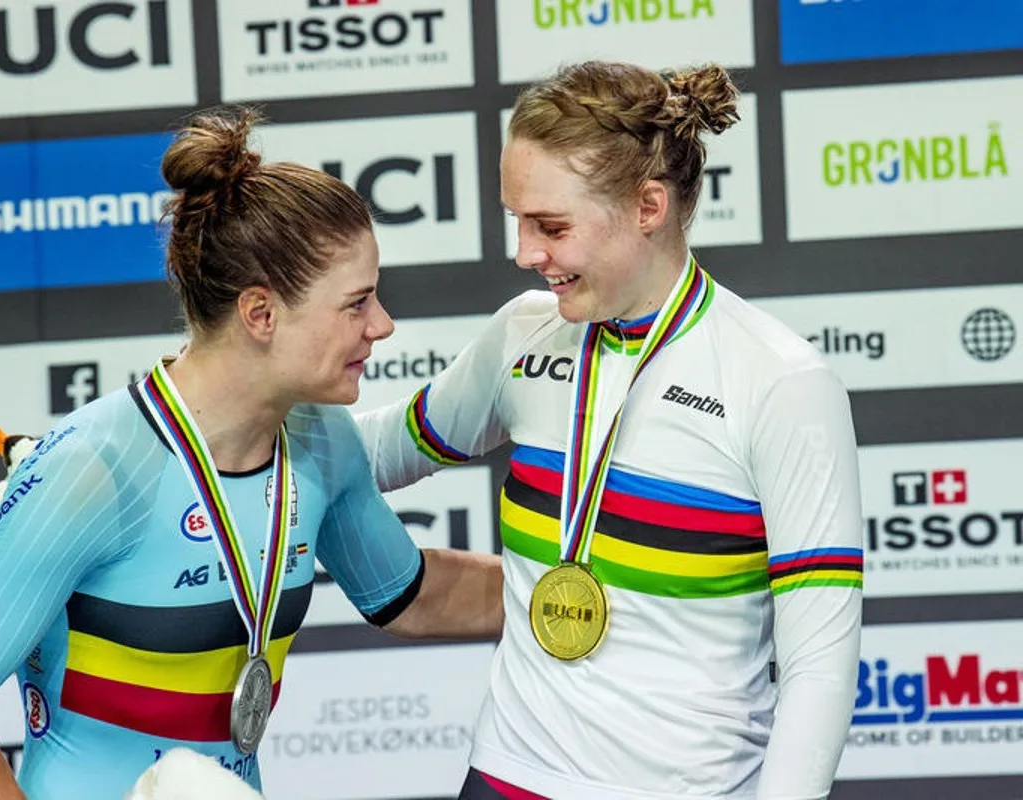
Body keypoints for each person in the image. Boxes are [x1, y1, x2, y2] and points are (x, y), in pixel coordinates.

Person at [0, 108, 503, 800]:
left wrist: (597, 593)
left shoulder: (319, 438)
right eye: (356, 304)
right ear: (261, 314)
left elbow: (414, 596)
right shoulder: (94, 469)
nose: (382, 325)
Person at [354, 61, 863, 799]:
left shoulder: (782, 382)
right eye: (517, 219)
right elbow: (371, 454)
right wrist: (226, 407)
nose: (524, 252)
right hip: (506, 775)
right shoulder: (522, 336)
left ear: (648, 205)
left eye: (550, 226)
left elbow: (819, 662)